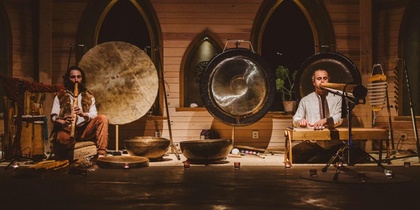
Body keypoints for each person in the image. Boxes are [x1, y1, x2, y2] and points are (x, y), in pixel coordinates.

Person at [50, 66, 108, 158]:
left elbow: (94, 114)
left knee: (103, 118)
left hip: (84, 130)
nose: (76, 80)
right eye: (73, 77)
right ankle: (71, 147)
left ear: (82, 78)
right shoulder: (60, 95)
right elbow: (53, 116)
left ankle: (101, 153)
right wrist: (63, 121)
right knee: (62, 139)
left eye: (78, 77)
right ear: (68, 79)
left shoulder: (88, 95)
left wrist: (83, 114)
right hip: (67, 129)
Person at [291, 69, 344, 163]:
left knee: (351, 154)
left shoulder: (337, 98)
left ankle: (321, 158)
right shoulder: (306, 100)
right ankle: (325, 158)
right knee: (292, 154)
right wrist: (301, 121)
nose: (322, 81)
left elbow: (339, 118)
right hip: (313, 143)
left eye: (325, 78)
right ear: (314, 82)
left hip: (332, 142)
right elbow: (296, 119)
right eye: (319, 79)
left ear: (328, 81)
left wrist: (325, 120)